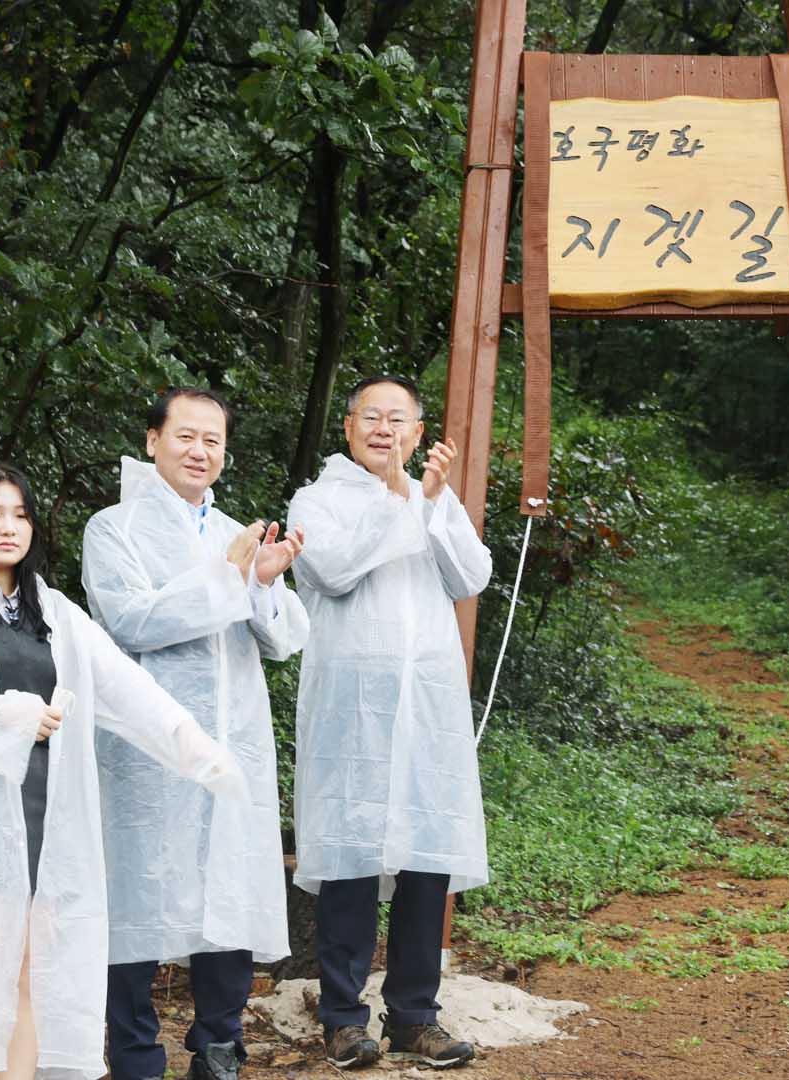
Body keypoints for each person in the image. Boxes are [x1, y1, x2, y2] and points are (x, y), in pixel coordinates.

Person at [0, 463, 247, 1080]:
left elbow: (128, 689)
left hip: (43, 825)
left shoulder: (52, 611)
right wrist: (12, 715)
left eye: (20, 515)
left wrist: (200, 752)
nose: (7, 527)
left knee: (29, 977)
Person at [81, 388, 311, 1080]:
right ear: (152, 440)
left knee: (229, 883)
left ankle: (218, 1045)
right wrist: (230, 578)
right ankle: (134, 1054)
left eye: (212, 440)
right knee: (136, 888)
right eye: (185, 436)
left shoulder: (237, 531)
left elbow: (281, 639)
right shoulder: (113, 529)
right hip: (146, 744)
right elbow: (131, 621)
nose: (199, 451)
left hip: (232, 736)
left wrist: (262, 584)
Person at [287, 375, 492, 1071]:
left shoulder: (432, 496)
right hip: (352, 710)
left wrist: (429, 504)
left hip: (427, 707)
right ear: (348, 428)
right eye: (371, 417)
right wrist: (400, 500)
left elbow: (471, 576)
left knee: (425, 858)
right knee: (350, 855)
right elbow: (334, 570)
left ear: (418, 432)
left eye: (398, 419)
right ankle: (343, 1019)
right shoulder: (318, 499)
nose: (384, 430)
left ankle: (414, 1016)